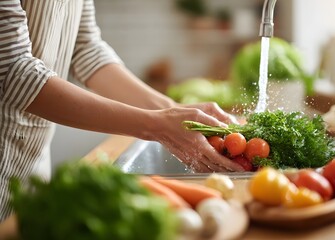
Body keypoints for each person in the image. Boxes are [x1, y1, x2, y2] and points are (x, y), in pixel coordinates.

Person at [0, 0, 244, 222]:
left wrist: (173, 111)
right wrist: (156, 125)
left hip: (31, 166)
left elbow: (86, 48)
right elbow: (14, 70)